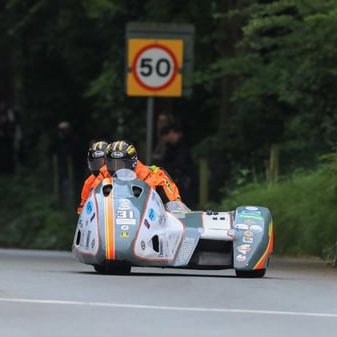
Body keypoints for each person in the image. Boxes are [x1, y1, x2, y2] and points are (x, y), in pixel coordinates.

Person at [105, 140, 181, 203]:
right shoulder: (102, 176)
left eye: (121, 164)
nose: (117, 168)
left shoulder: (155, 177)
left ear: (133, 163)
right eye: (112, 164)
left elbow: (175, 205)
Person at [158, 124, 195, 205]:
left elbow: (182, 163)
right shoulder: (169, 147)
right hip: (172, 178)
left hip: (183, 179)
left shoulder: (183, 147)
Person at [77, 140, 108, 214]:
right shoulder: (89, 182)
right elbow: (82, 211)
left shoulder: (120, 176)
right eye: (96, 163)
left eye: (103, 163)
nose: (100, 167)